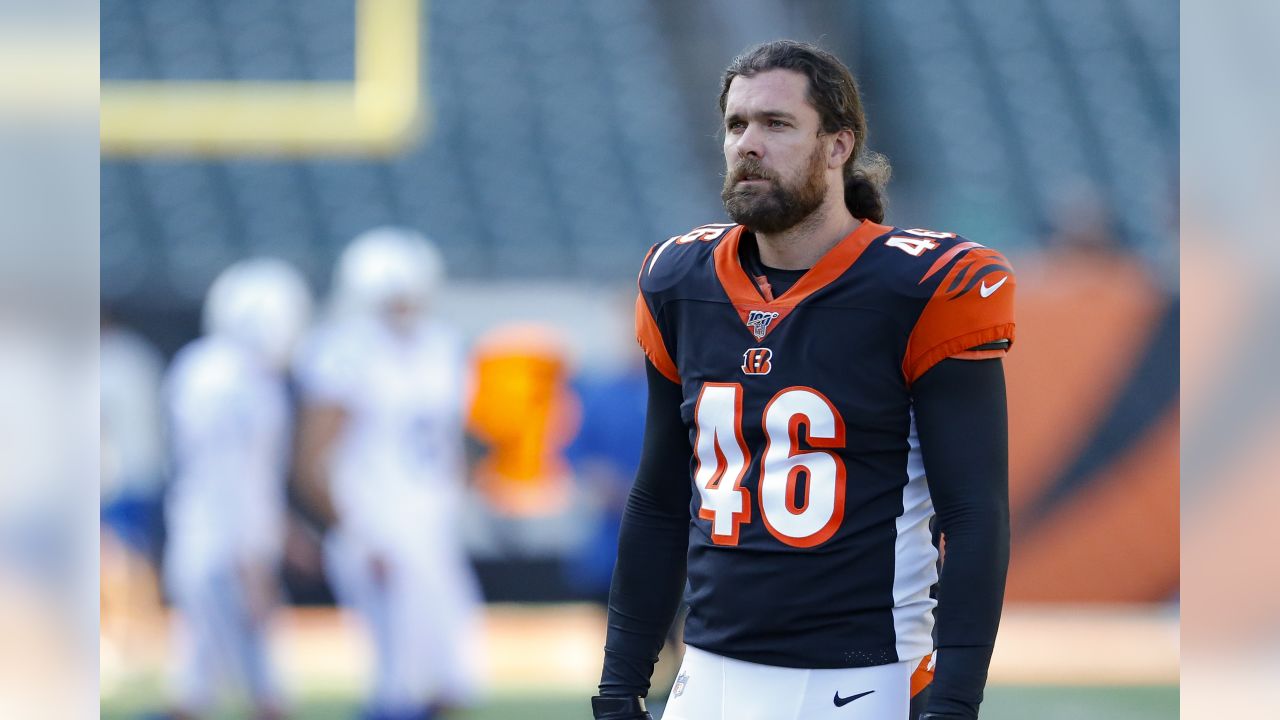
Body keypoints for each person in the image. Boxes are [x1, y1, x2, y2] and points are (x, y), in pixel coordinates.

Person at [592, 40, 1015, 720]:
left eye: (777, 124)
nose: (748, 144)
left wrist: (956, 701)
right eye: (737, 125)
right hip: (707, 677)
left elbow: (974, 516)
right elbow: (660, 498)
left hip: (861, 677)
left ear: (838, 145)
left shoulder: (920, 286)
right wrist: (620, 682)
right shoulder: (679, 278)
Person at [294, 227, 482, 720]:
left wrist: (449, 502)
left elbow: (450, 443)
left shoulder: (441, 346)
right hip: (376, 524)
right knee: (399, 676)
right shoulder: (343, 350)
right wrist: (358, 534)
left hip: (429, 524)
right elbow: (312, 462)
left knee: (452, 676)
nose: (402, 305)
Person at [163, 258, 312, 720]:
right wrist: (249, 558)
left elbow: (246, 474)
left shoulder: (213, 370)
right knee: (255, 676)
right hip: (223, 544)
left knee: (203, 672)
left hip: (218, 536)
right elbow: (227, 477)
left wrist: (282, 530)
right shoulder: (229, 380)